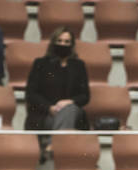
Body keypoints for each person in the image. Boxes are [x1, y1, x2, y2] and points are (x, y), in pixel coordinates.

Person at [24, 27, 89, 159]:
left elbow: (85, 96)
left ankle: (52, 145)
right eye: (59, 41)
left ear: (72, 45)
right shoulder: (41, 63)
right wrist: (50, 107)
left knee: (69, 109)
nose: (63, 44)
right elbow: (31, 94)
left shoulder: (78, 65)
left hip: (74, 116)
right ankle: (56, 144)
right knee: (66, 114)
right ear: (53, 42)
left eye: (66, 42)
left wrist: (68, 102)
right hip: (46, 116)